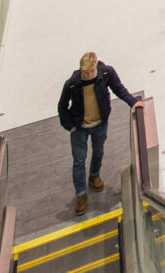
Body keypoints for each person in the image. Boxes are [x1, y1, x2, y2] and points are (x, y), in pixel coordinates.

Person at [57, 52, 138, 216]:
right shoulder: (72, 83)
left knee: (98, 151)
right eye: (84, 72)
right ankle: (80, 194)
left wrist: (133, 102)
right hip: (79, 128)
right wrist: (70, 126)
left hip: (100, 124)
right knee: (79, 160)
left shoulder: (106, 73)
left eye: (90, 72)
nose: (87, 75)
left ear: (95, 68)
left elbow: (119, 89)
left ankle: (94, 175)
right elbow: (62, 106)